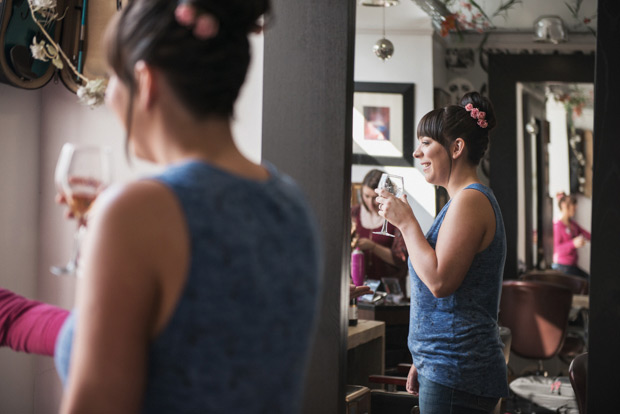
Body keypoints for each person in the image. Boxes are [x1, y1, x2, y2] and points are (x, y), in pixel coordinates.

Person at [2, 1, 323, 413]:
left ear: (145, 80)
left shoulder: (138, 214)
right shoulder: (292, 204)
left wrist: (118, 227)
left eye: (111, 76)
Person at [376, 92, 508, 414]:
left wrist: (407, 223)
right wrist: (423, 359)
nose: (416, 152)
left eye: (425, 142)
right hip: (446, 364)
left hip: (459, 368)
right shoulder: (459, 202)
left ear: (457, 148)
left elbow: (439, 281)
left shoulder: (470, 201)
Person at [351, 169, 408, 294]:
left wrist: (373, 246)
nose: (371, 203)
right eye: (366, 196)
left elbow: (402, 260)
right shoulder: (353, 213)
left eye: (375, 197)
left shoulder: (396, 216)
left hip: (390, 294)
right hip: (360, 291)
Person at [552, 192, 591, 278]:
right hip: (563, 267)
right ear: (564, 205)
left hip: (573, 266)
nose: (575, 207)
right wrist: (573, 243)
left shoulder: (573, 224)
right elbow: (557, 249)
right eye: (573, 204)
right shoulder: (557, 226)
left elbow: (588, 235)